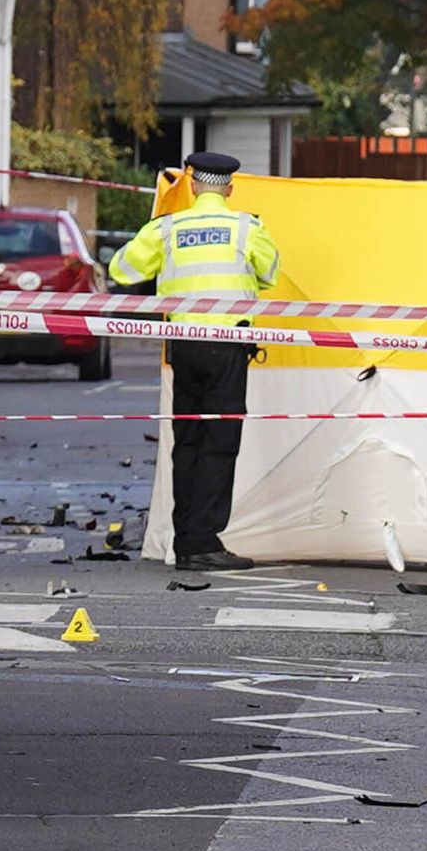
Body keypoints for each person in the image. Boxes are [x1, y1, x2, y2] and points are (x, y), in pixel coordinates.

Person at [109, 152, 281, 572]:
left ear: (191, 185)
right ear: (229, 188)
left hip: (183, 344)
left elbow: (122, 270)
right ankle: (204, 542)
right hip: (226, 346)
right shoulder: (245, 227)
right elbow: (271, 271)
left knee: (186, 441)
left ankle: (185, 541)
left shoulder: (168, 228)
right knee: (219, 443)